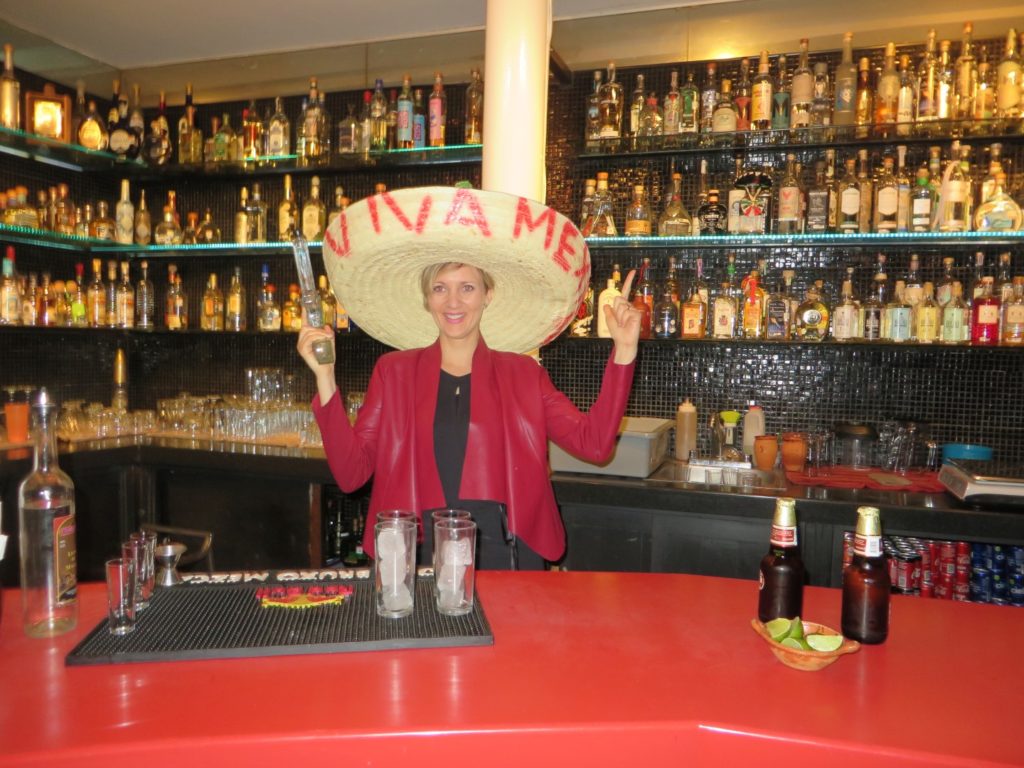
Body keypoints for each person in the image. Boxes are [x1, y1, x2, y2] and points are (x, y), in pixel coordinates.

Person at [298, 185, 641, 569]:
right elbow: (351, 474)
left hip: (507, 551)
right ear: (427, 298)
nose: (453, 302)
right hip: (417, 551)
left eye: (467, 287)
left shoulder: (524, 374)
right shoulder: (393, 372)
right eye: (440, 288)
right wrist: (324, 377)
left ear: (487, 295)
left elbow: (594, 444)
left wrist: (624, 350)